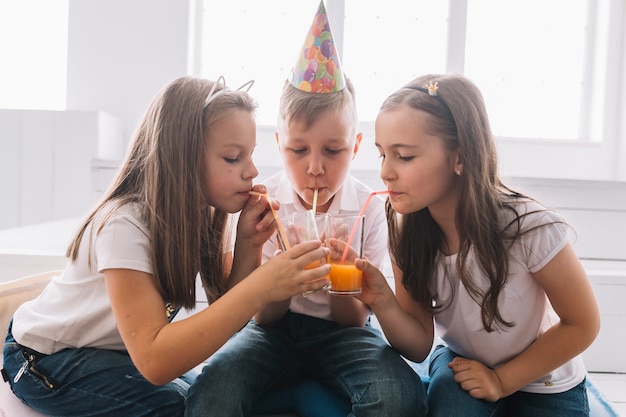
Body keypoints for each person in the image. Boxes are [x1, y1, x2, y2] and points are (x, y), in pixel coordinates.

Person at [1, 75, 331, 417]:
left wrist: (248, 246)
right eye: (233, 158)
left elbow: (226, 312)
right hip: (44, 359)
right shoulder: (124, 225)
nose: (252, 170)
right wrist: (263, 286)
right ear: (181, 158)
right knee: (181, 407)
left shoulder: (198, 214)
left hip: (113, 353)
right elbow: (155, 361)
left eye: (249, 155)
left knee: (213, 392)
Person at [185, 3, 427, 417]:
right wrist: (281, 281)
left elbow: (353, 322)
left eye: (332, 151)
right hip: (271, 332)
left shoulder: (368, 209)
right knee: (211, 396)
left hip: (342, 334)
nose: (315, 167)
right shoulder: (264, 206)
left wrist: (337, 283)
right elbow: (261, 316)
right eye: (299, 150)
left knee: (400, 396)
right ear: (279, 144)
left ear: (354, 147)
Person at [355, 73, 601, 417]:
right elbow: (419, 344)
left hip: (543, 380)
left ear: (460, 156)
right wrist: (383, 301)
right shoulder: (406, 230)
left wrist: (501, 381)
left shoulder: (528, 227)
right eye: (382, 155)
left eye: (404, 157)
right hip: (465, 364)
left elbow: (583, 323)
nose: (385, 172)